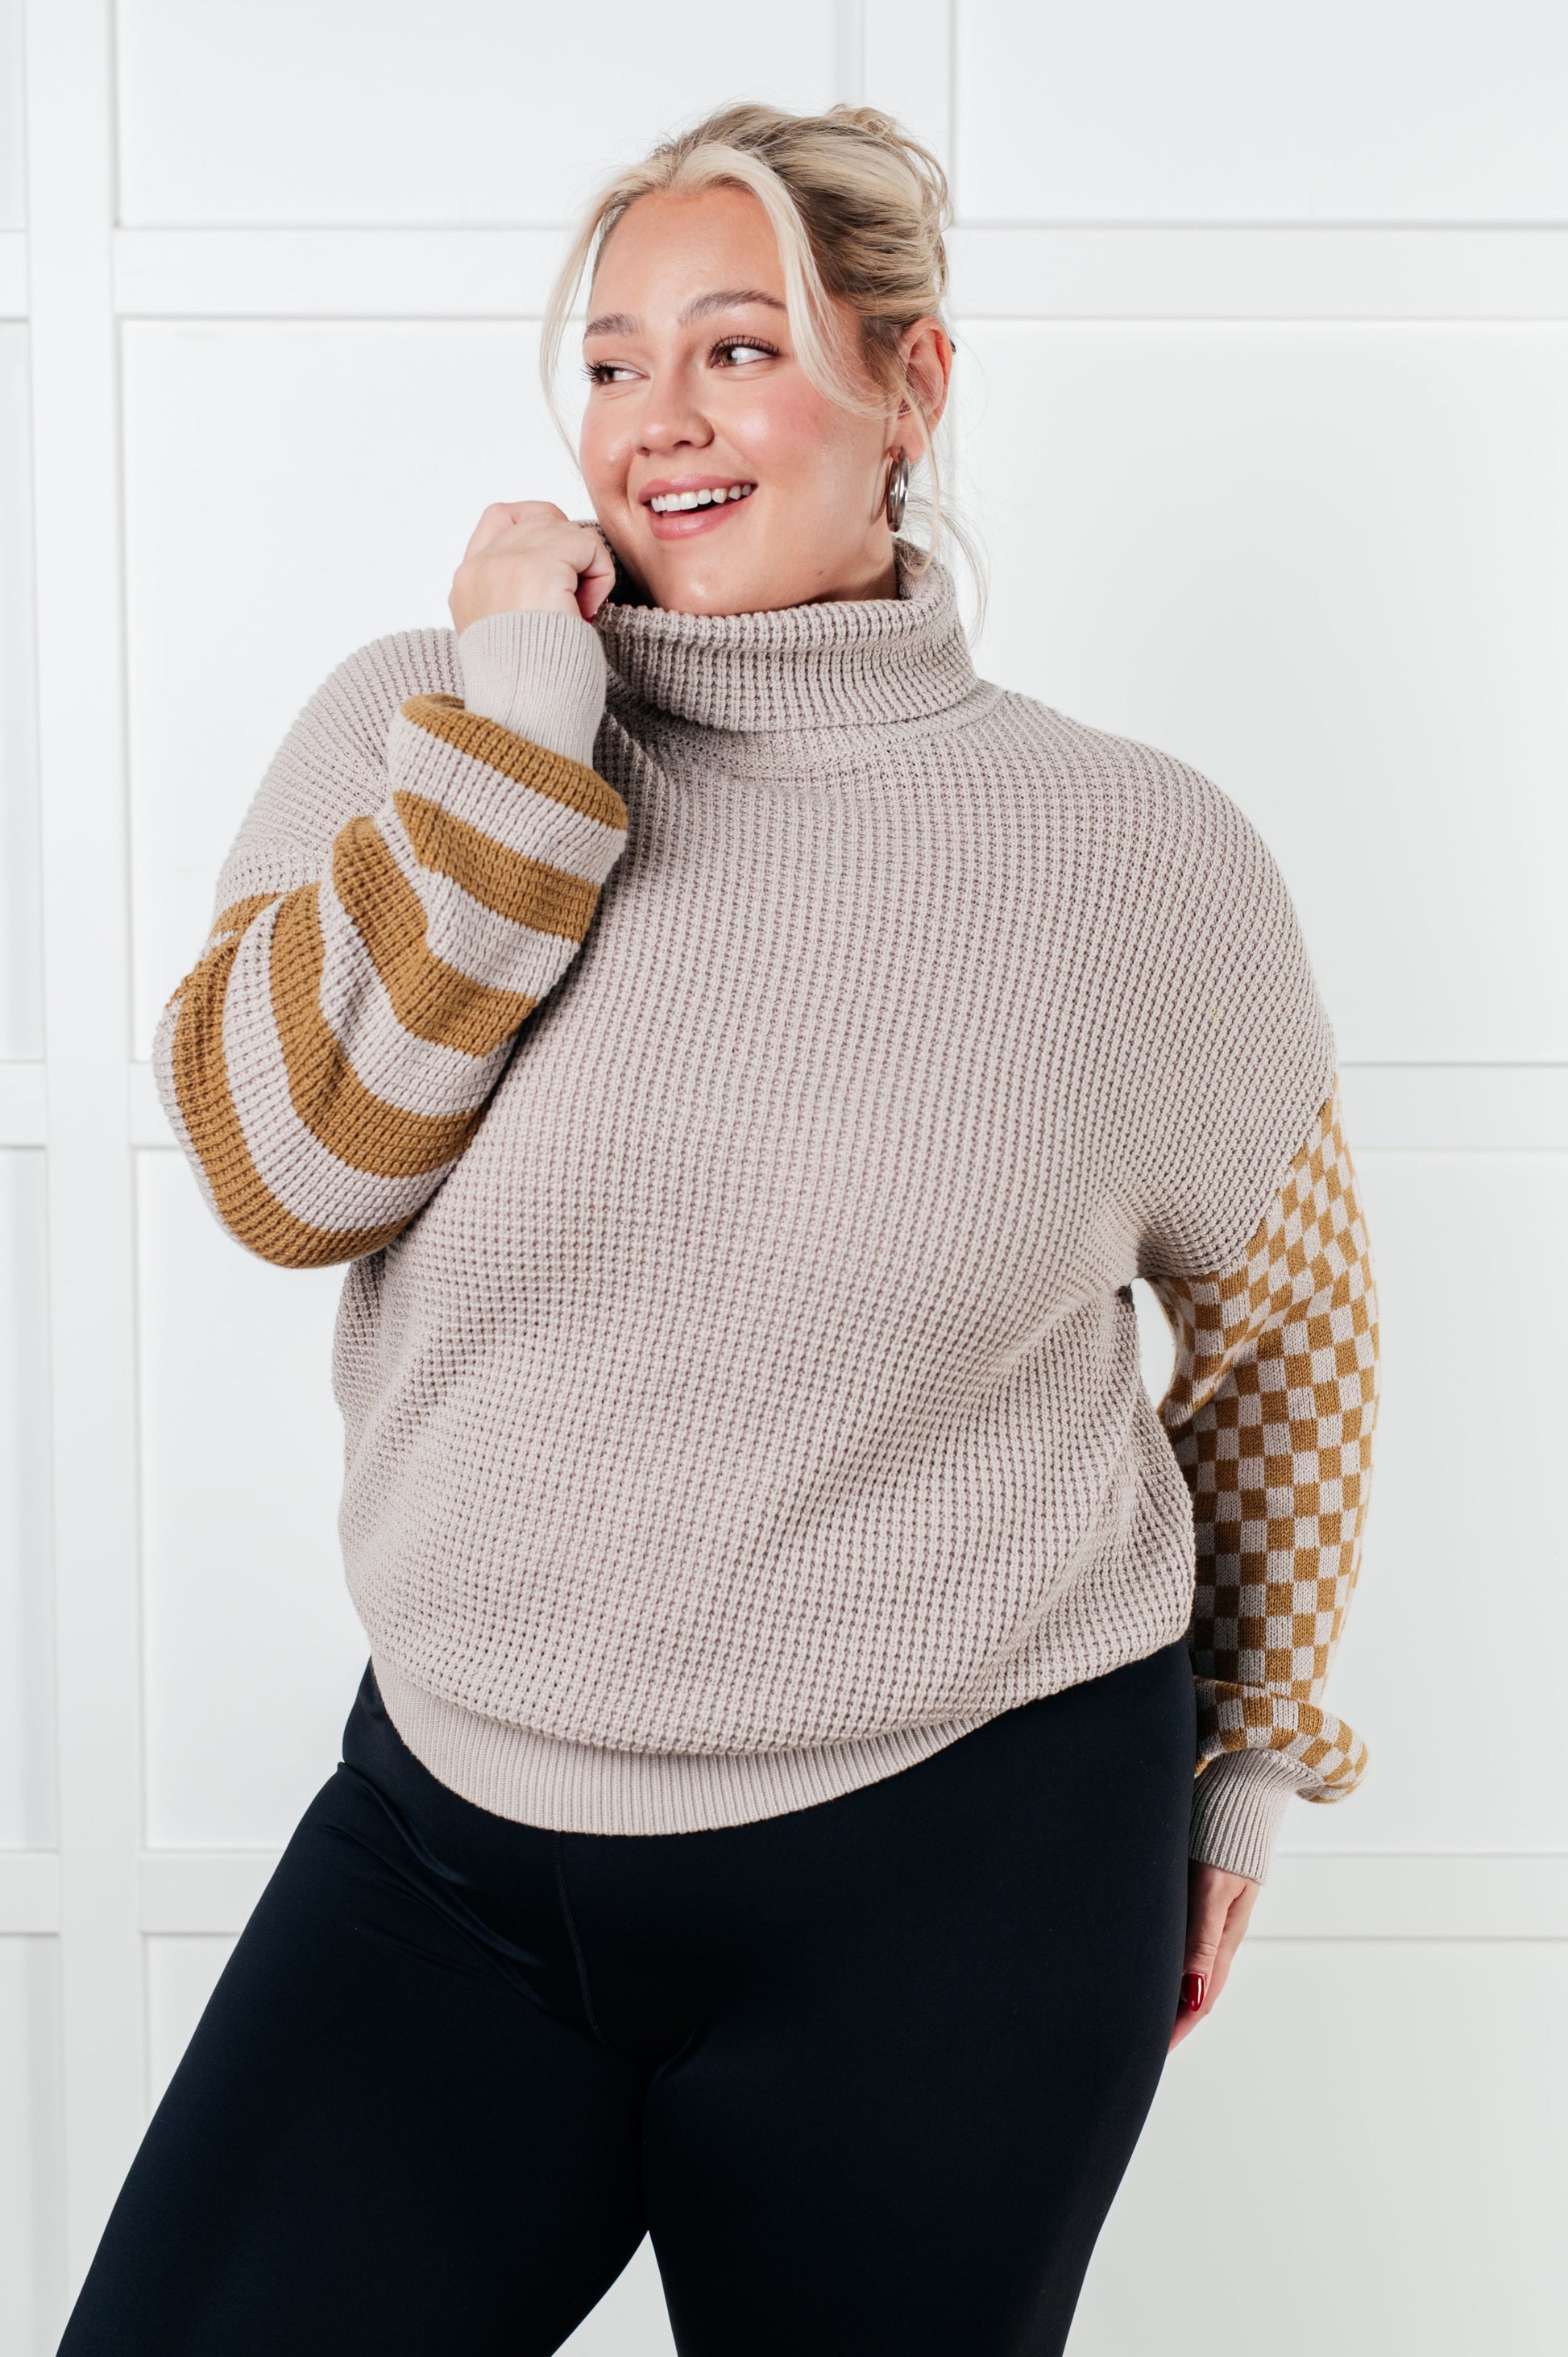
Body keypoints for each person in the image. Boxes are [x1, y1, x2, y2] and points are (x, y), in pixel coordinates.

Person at [60, 101, 1379, 2357]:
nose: (654, 419)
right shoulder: (421, 727)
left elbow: (1289, 1346)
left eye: (738, 346)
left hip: (960, 1873)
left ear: (909, 386)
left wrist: (1244, 1768)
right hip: (451, 1849)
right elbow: (291, 1169)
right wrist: (522, 731)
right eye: (606, 363)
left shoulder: (1128, 855)